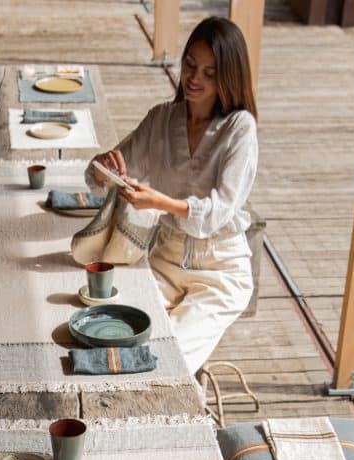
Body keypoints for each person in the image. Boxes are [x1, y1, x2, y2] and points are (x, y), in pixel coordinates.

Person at [86, 16, 258, 374]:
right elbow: (99, 175)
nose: (193, 78)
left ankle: (180, 403)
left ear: (228, 77)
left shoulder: (239, 128)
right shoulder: (161, 119)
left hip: (220, 273)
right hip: (164, 260)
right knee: (108, 329)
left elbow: (219, 211)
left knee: (164, 360)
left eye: (209, 73)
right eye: (190, 65)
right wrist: (105, 167)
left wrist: (159, 202)